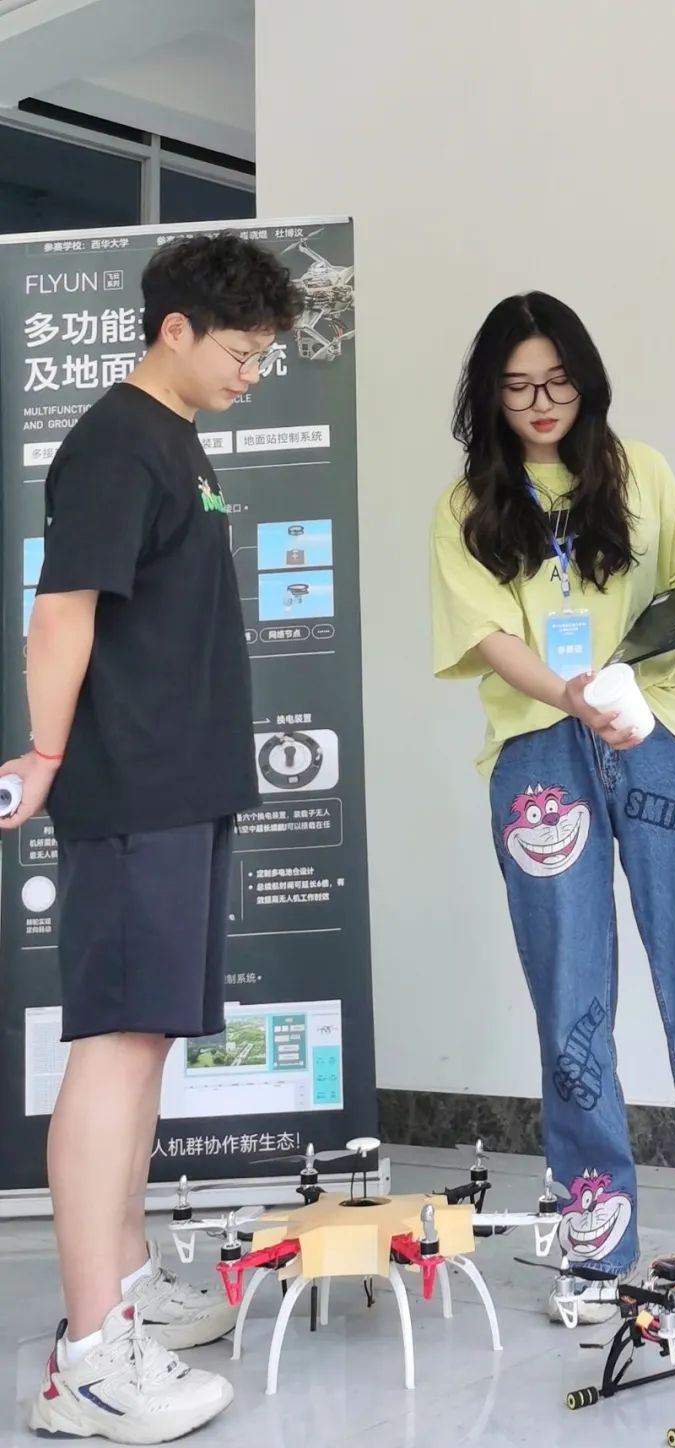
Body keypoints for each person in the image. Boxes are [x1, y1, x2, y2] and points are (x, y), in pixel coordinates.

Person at [429, 291, 675, 1331]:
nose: (540, 403)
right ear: (489, 396)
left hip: (658, 731)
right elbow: (490, 639)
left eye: (557, 382)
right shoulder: (468, 504)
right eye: (517, 388)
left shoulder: (639, 471)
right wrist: (571, 696)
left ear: (587, 379)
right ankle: (596, 1248)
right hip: (540, 749)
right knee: (572, 1002)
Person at [0, 233, 301, 1441]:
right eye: (240, 351)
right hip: (129, 789)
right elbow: (62, 612)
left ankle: (124, 1282)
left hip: (182, 786)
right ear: (174, 327)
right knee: (116, 1046)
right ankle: (89, 1360)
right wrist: (44, 755)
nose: (250, 374)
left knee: (146, 1044)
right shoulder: (116, 441)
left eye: (263, 356)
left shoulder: (175, 436)